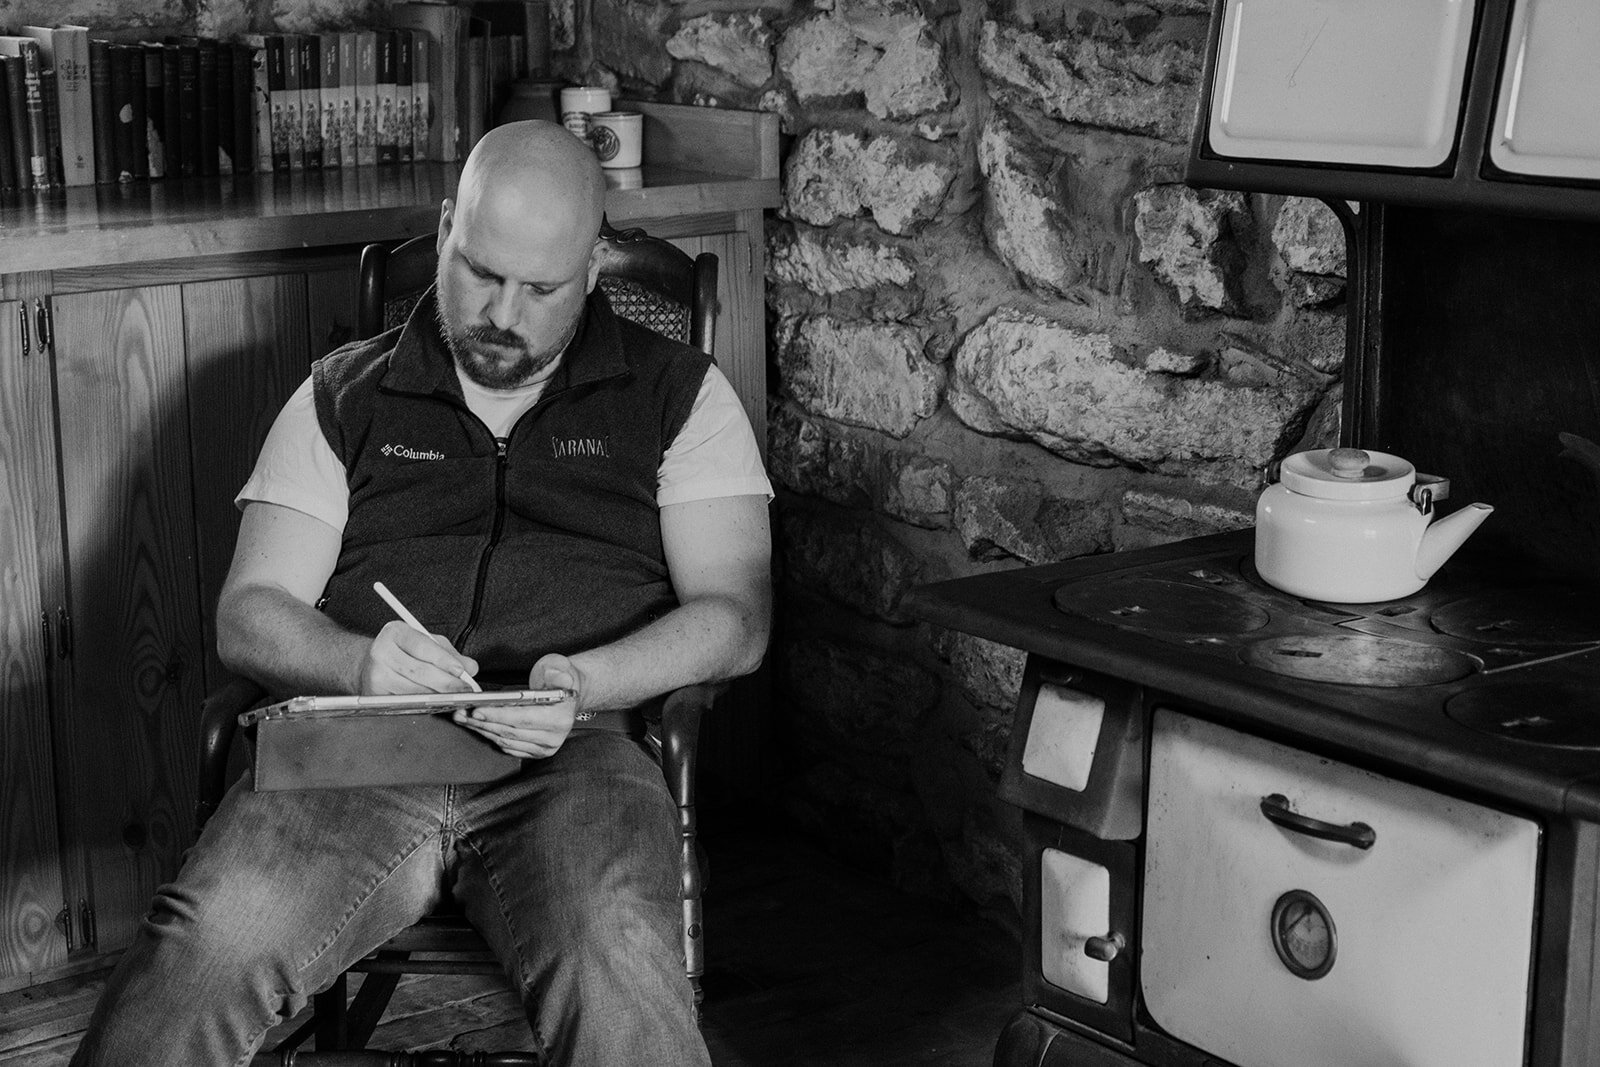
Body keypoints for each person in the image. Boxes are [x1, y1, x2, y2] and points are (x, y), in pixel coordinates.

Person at [71, 120, 773, 1067]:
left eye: (542, 289)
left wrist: (586, 681)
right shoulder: (341, 396)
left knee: (614, 955)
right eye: (481, 271)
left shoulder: (681, 394)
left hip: (578, 756)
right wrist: (360, 661)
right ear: (446, 229)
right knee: (202, 949)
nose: (503, 315)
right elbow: (250, 608)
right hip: (357, 752)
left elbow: (735, 621)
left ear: (596, 264)